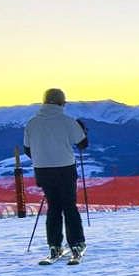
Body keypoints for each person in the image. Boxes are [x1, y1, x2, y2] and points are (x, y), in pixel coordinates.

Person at [24, 88, 89, 262]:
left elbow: (27, 149)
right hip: (65, 168)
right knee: (69, 206)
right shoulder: (68, 121)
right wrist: (82, 129)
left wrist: (43, 159)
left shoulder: (32, 123)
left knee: (53, 206)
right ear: (62, 103)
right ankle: (76, 243)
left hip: (43, 170)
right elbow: (83, 144)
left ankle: (54, 245)